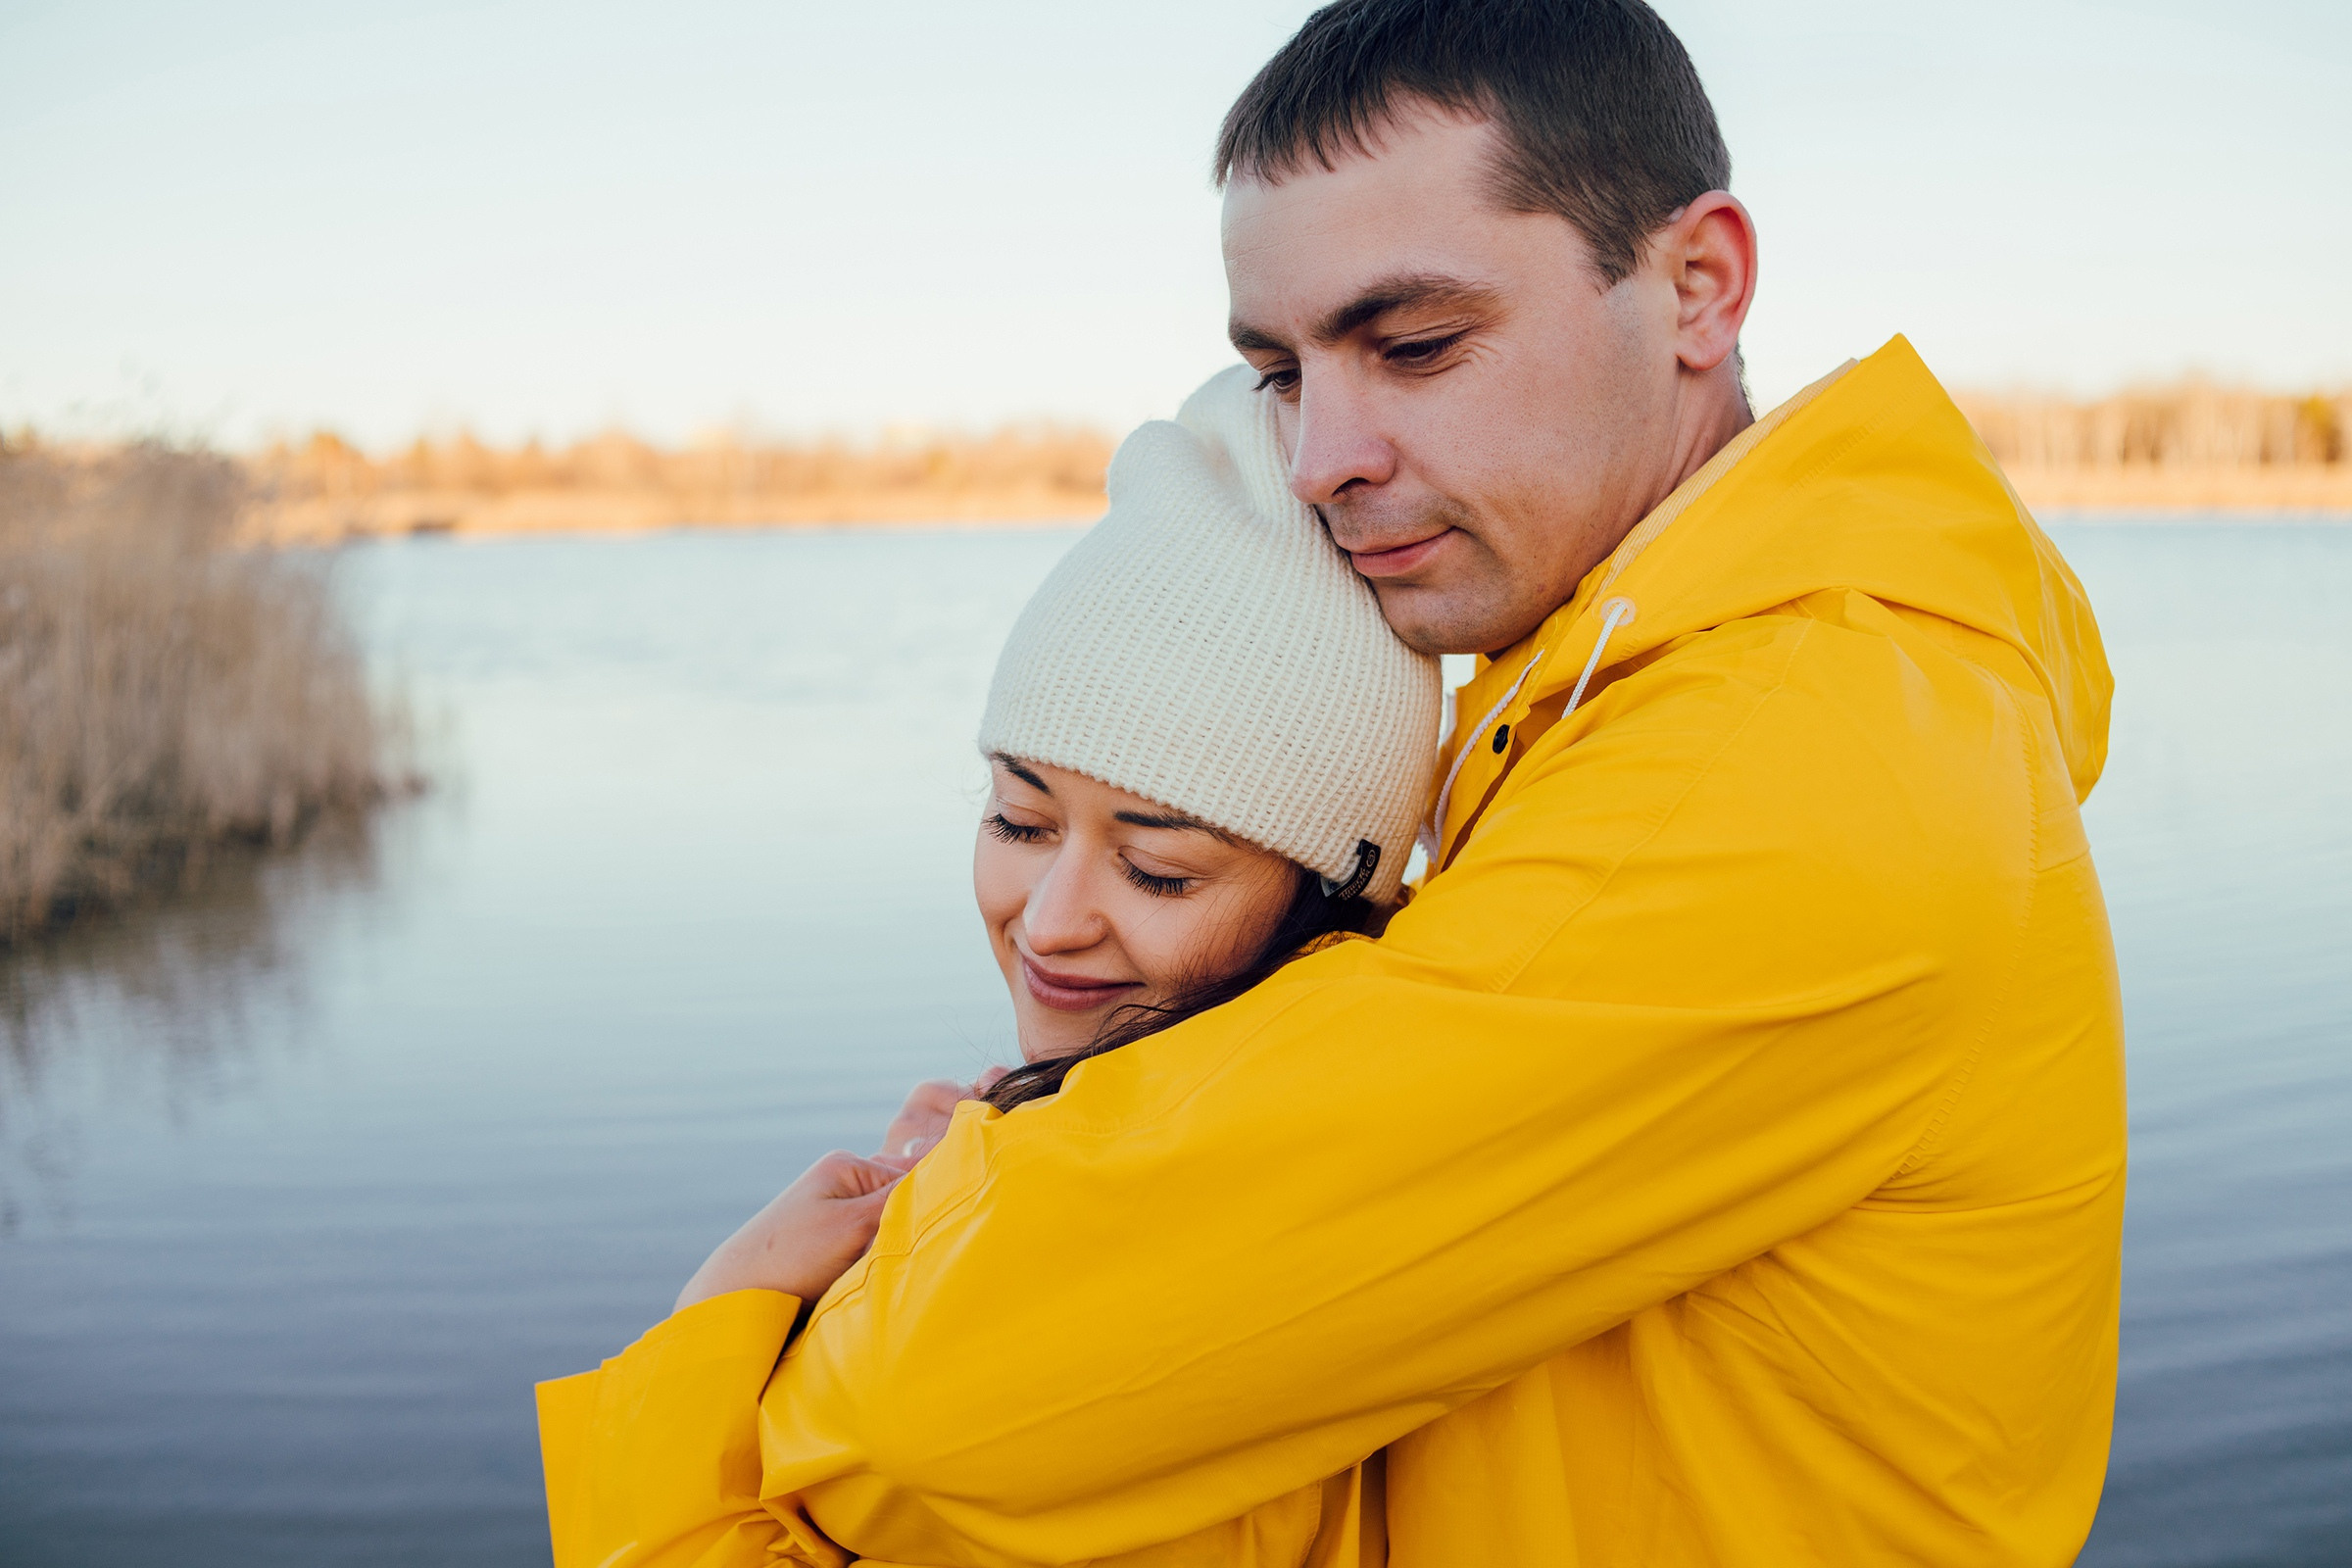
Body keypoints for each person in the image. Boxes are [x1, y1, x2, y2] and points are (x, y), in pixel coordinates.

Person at [541, 2, 2127, 1564]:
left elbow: (945, 1397)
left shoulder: (1803, 762)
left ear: (1698, 284)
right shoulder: (1627, 697)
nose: (1321, 459)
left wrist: (761, 1313)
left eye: (1416, 343)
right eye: (1283, 369)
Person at [544, 366, 1436, 1566]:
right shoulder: (1324, 1131)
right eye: (1019, 821)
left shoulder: (1136, 1260)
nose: (1051, 920)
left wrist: (728, 1311)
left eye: (1159, 870)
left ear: (1330, 901)